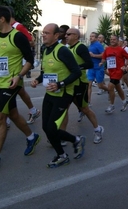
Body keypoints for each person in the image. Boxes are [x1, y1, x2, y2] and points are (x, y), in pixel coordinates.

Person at [0, 6, 40, 170]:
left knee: (0, 118)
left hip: (12, 83)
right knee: (12, 114)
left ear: (2, 19)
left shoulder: (17, 36)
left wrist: (19, 76)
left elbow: (30, 60)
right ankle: (31, 136)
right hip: (0, 82)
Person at [30, 23, 85, 168]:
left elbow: (77, 72)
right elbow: (45, 72)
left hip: (64, 94)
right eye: (43, 33)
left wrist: (60, 84)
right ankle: (75, 140)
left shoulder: (63, 51)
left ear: (56, 36)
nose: (43, 35)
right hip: (50, 93)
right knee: (46, 128)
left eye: (47, 33)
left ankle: (62, 155)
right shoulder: (45, 50)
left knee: (52, 127)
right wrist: (37, 79)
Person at [62, 28, 104, 144]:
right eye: (66, 34)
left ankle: (98, 129)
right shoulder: (68, 48)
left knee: (85, 109)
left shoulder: (80, 47)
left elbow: (89, 63)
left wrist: (76, 69)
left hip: (80, 84)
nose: (66, 36)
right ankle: (63, 135)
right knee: (64, 109)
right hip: (70, 84)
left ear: (76, 36)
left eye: (69, 34)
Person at [7, 6, 40, 124]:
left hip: (18, 63)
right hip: (9, 63)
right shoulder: (5, 29)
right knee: (19, 90)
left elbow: (31, 41)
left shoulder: (18, 27)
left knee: (11, 87)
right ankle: (33, 110)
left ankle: (4, 117)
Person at [100, 34, 128, 114]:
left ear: (117, 41)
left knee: (110, 87)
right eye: (111, 39)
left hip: (118, 71)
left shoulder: (120, 49)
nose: (112, 41)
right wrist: (101, 63)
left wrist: (125, 65)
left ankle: (112, 106)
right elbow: (104, 58)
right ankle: (124, 101)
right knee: (118, 87)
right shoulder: (107, 49)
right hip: (111, 71)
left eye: (114, 39)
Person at [87, 32, 108, 101]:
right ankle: (88, 102)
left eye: (92, 36)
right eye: (90, 36)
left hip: (98, 68)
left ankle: (110, 91)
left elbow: (103, 55)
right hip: (91, 68)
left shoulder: (98, 45)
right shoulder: (90, 45)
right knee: (89, 85)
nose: (91, 37)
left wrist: (94, 55)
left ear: (96, 38)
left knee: (100, 85)